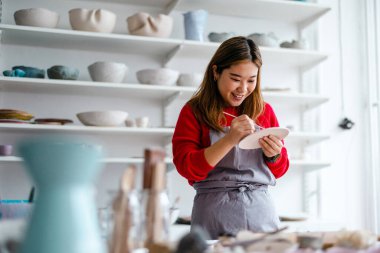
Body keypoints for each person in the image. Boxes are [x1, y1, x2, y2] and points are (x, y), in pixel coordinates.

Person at [172, 36, 289, 239]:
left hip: (260, 211)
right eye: (235, 79)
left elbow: (281, 169)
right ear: (216, 72)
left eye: (251, 80)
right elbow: (187, 167)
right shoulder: (194, 111)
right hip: (213, 213)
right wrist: (229, 139)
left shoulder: (264, 110)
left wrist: (275, 155)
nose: (243, 89)